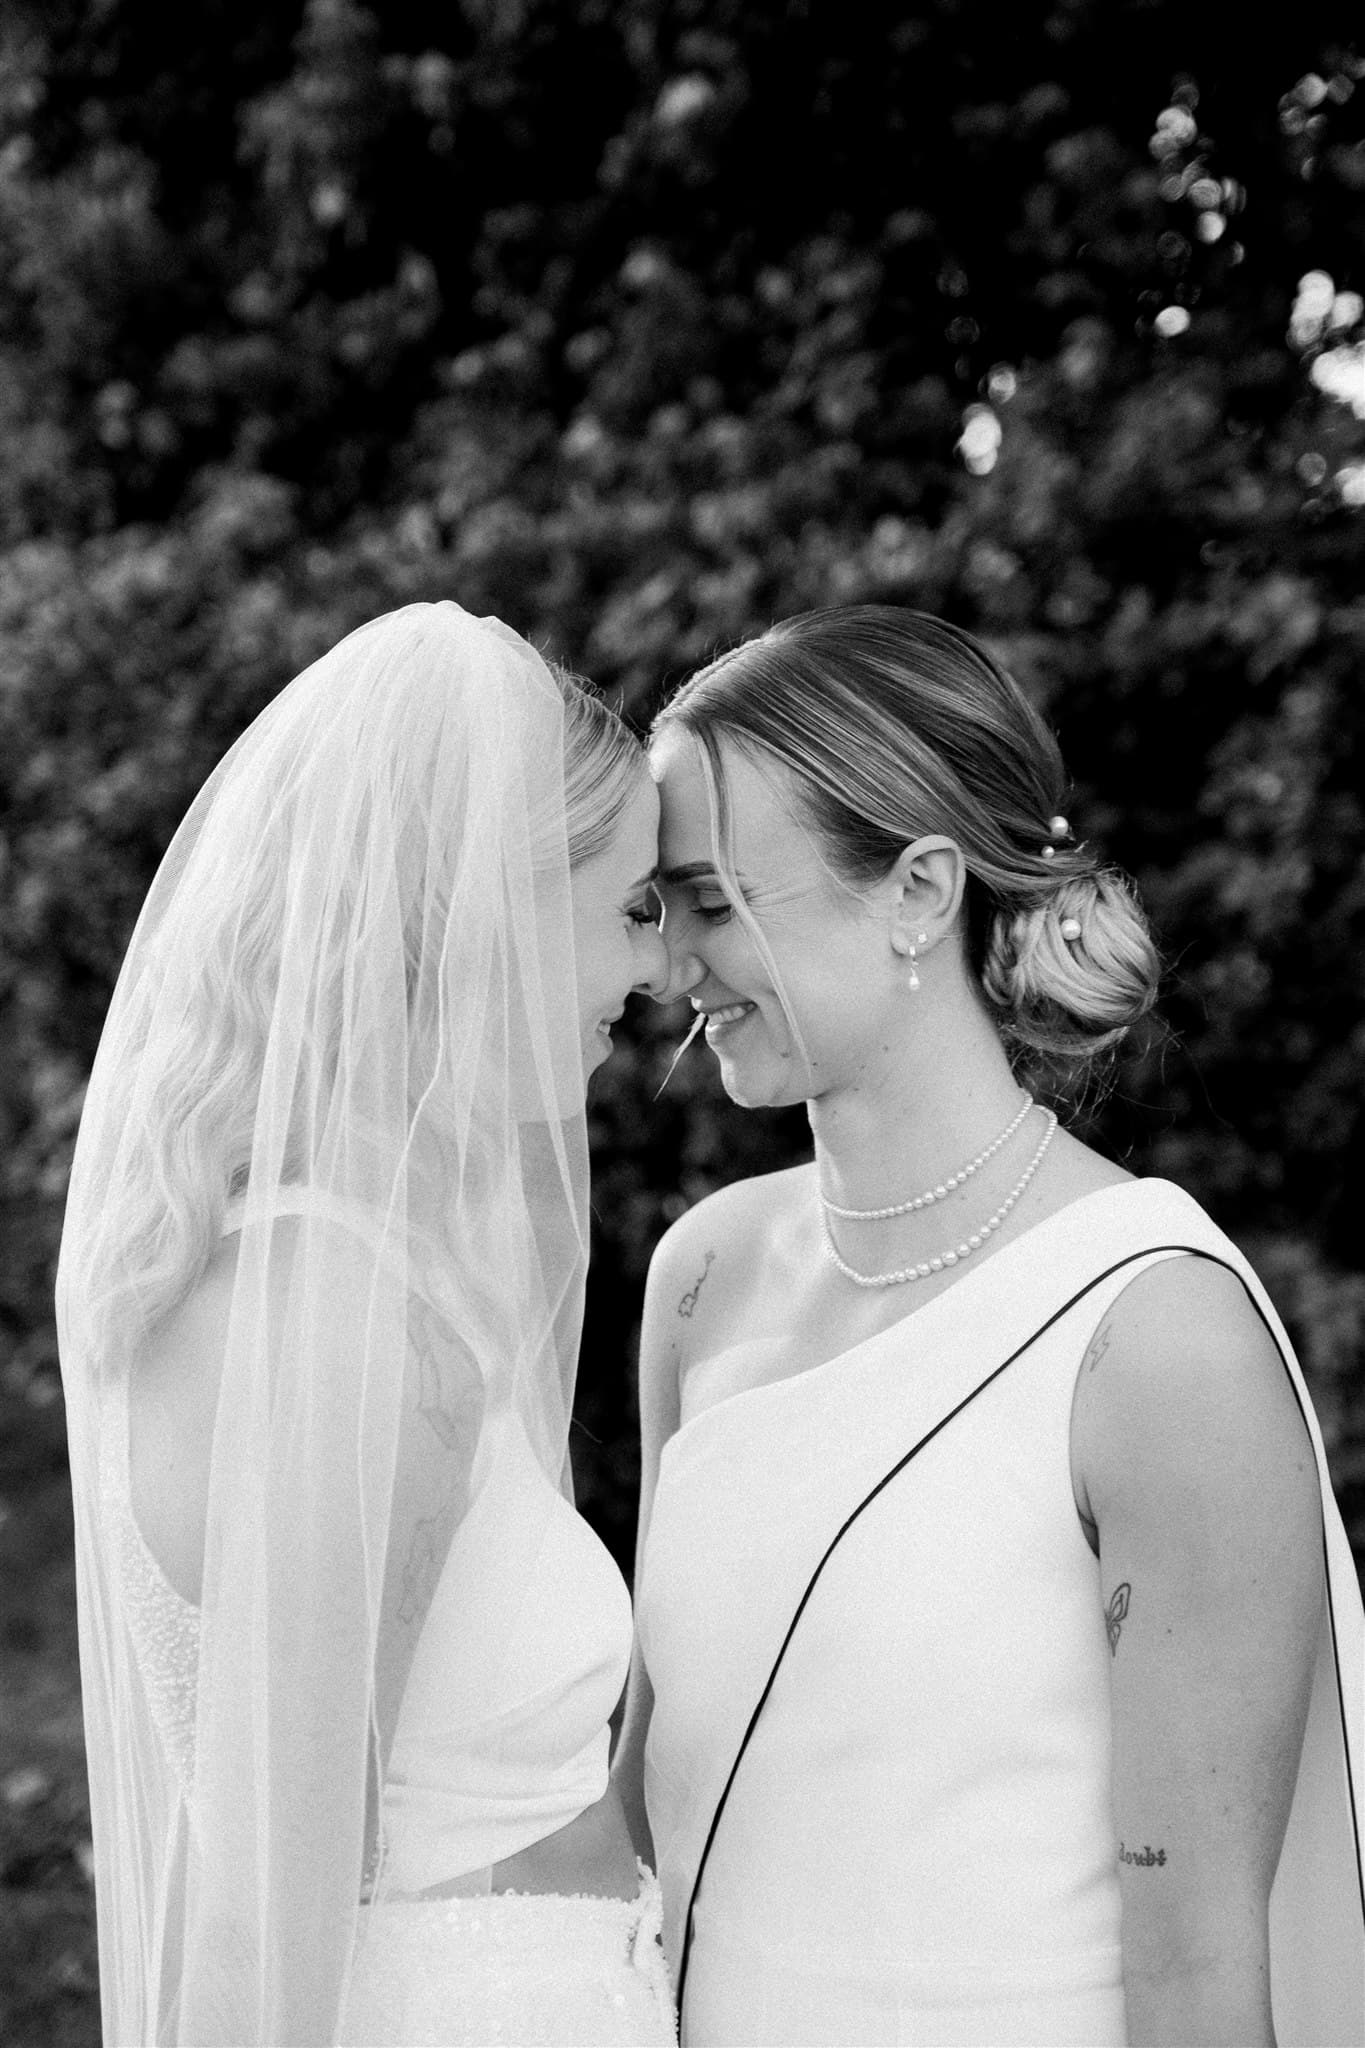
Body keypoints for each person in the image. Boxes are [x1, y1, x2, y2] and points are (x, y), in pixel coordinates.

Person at [614, 604, 1364, 2048]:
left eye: (712, 900)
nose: (669, 969)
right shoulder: (702, 1277)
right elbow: (649, 1808)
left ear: (916, 891)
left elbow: (1200, 1974)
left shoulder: (1151, 1338)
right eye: (658, 907)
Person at [56, 602, 679, 2046]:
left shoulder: (356, 1276)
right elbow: (261, 1927)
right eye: (631, 905)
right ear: (490, 905)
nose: (652, 972)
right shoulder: (327, 1314)